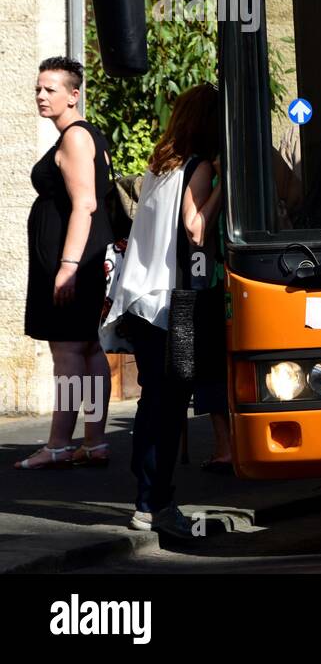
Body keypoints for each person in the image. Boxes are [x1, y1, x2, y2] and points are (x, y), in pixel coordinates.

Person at [105, 84, 224, 540]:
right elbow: (195, 231)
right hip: (178, 307)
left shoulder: (160, 167)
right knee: (171, 406)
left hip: (141, 300)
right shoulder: (196, 168)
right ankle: (155, 503)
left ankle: (148, 498)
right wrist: (222, 188)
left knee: (154, 401)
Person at [14, 58, 114, 470]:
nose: (41, 96)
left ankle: (58, 444)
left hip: (76, 260)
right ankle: (92, 442)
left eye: (50, 89)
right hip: (80, 258)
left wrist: (68, 265)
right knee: (88, 349)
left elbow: (85, 203)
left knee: (70, 352)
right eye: (38, 88)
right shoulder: (83, 136)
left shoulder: (74, 137)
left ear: (74, 95)